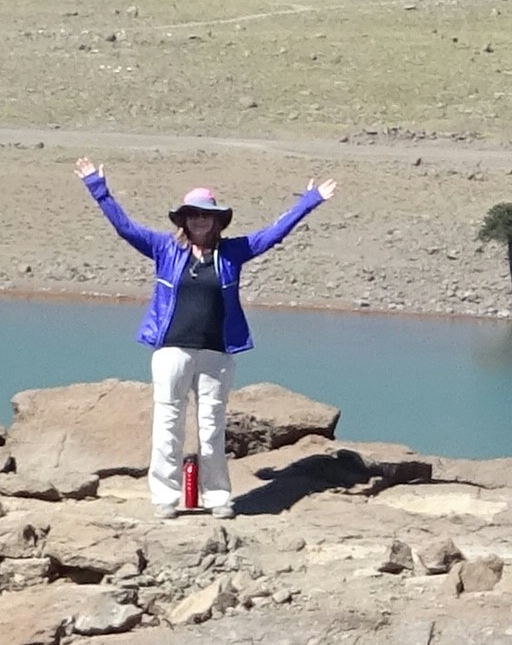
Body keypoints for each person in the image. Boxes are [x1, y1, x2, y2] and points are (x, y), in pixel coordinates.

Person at [86, 160, 331, 515]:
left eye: (206, 215)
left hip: (216, 354)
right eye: (193, 215)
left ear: (217, 221)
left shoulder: (232, 253)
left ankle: (218, 498)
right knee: (168, 425)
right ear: (184, 220)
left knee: (212, 428)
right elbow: (124, 227)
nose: (200, 220)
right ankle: (165, 499)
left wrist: (309, 201)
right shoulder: (163, 248)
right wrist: (98, 188)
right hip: (171, 351)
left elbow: (273, 233)